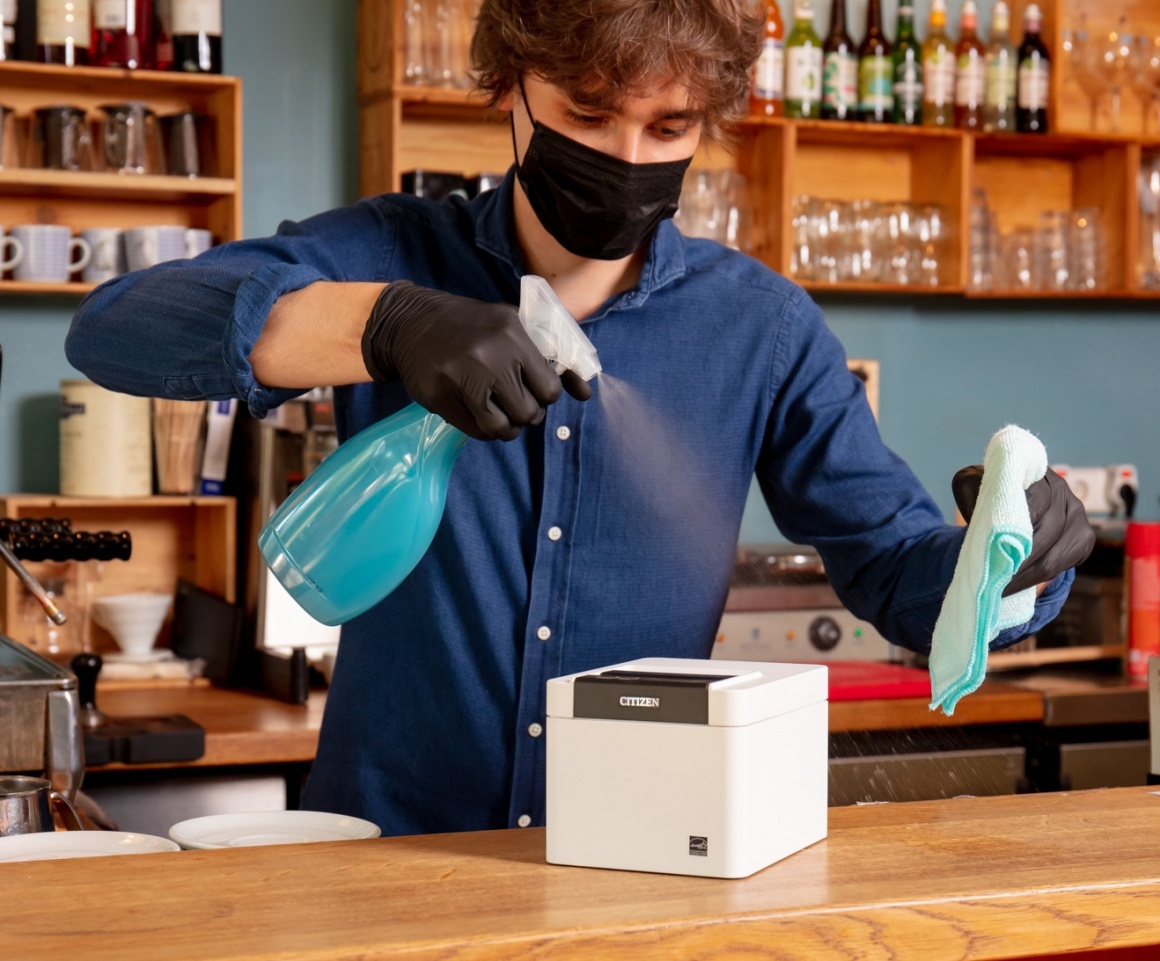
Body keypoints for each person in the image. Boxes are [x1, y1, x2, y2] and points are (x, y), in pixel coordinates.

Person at [65, 0, 1093, 836]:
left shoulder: (761, 329)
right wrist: (382, 322)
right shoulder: (390, 252)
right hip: (384, 863)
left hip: (639, 865)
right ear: (509, 86)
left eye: (668, 128)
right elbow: (113, 331)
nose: (626, 153)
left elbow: (900, 576)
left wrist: (1003, 565)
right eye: (589, 114)